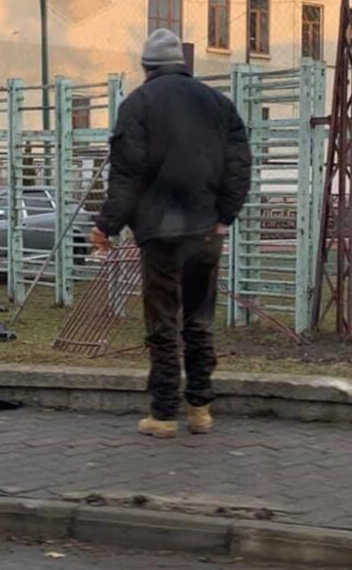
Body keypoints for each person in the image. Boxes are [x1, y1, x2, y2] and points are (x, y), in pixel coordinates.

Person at [92, 28, 251, 438]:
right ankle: (200, 408)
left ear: (147, 66)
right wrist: (224, 216)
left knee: (162, 322)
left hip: (159, 231)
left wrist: (105, 225)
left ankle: (163, 414)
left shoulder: (137, 105)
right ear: (182, 63)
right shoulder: (219, 104)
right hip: (205, 230)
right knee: (198, 320)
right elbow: (239, 165)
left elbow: (126, 174)